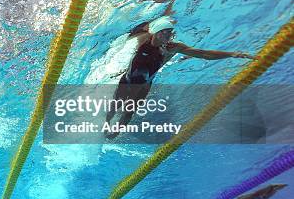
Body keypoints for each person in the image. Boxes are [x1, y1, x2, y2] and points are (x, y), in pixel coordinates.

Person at [106, 16, 255, 138]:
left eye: (170, 33)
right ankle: (105, 124)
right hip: (127, 80)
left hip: (144, 85)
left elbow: (203, 54)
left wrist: (231, 54)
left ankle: (115, 132)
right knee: (115, 105)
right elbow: (132, 31)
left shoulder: (172, 48)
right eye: (165, 33)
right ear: (156, 32)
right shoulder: (143, 39)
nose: (168, 36)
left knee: (129, 111)